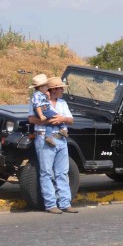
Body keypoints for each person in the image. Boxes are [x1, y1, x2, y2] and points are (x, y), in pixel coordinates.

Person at [35, 77, 77, 214]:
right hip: (45, 137)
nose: (63, 90)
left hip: (61, 138)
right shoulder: (39, 101)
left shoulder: (63, 103)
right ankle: (51, 204)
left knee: (62, 172)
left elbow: (71, 119)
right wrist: (48, 121)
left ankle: (65, 202)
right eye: (60, 88)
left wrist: (62, 119)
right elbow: (31, 118)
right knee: (47, 172)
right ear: (53, 90)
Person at [29, 73, 64, 147]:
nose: (48, 88)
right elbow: (38, 106)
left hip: (45, 109)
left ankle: (48, 137)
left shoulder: (42, 94)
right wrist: (41, 115)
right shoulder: (36, 95)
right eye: (46, 86)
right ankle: (62, 129)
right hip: (43, 110)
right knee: (55, 116)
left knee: (51, 122)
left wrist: (47, 96)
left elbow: (46, 101)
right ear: (41, 88)